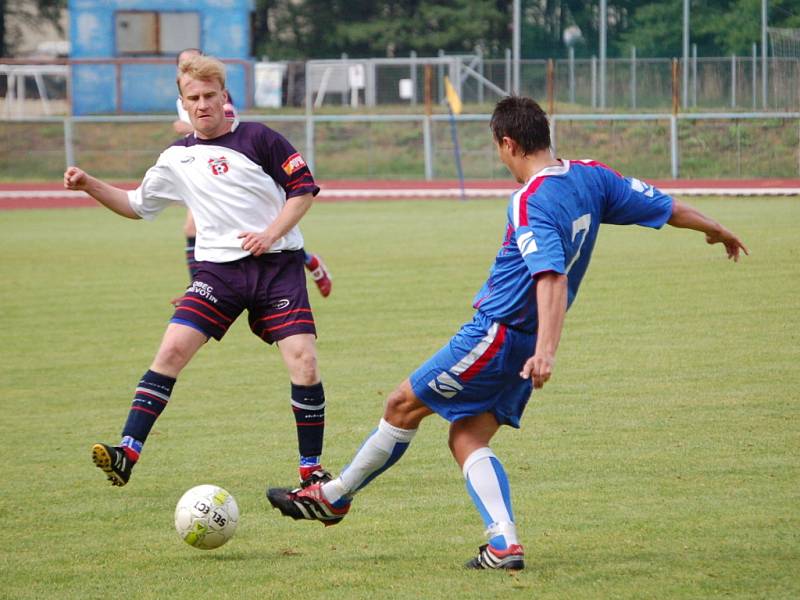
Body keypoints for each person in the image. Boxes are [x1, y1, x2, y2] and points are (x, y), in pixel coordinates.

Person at [266, 96, 749, 571]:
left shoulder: (530, 201)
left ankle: (333, 497)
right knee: (467, 436)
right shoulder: (591, 176)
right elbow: (664, 205)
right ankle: (504, 544)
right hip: (521, 345)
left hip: (497, 336)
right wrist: (718, 228)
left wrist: (546, 352)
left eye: (498, 149)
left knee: (400, 405)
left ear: (509, 143)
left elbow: (551, 275)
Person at [65, 54, 332, 489]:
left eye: (211, 95)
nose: (203, 104)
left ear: (225, 98)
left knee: (303, 361)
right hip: (217, 276)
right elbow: (136, 206)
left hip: (277, 268)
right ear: (183, 104)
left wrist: (269, 234)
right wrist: (89, 183)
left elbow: (303, 192)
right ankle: (126, 452)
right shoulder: (175, 159)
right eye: (194, 98)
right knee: (170, 351)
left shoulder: (260, 138)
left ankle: (311, 472)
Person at [173, 48, 332, 298]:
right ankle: (199, 290)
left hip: (230, 169)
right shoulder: (184, 97)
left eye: (193, 59)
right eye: (183, 62)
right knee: (194, 229)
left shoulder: (215, 92)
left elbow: (227, 121)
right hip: (202, 168)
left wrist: (186, 127)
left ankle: (309, 260)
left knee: (258, 227)